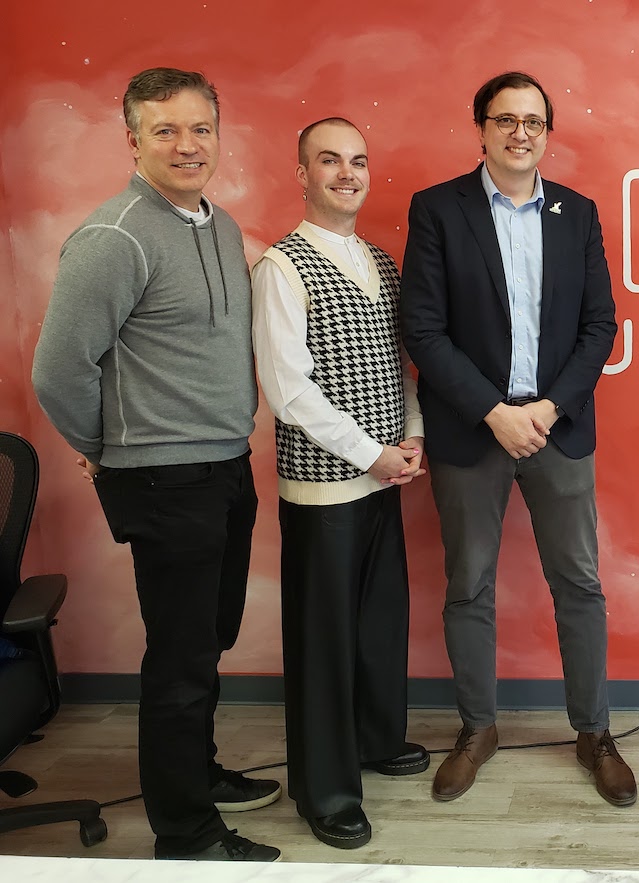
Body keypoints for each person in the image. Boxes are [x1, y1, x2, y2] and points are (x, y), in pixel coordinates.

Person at [31, 68, 280, 862]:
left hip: (224, 467)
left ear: (218, 133)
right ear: (130, 138)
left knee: (205, 642)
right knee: (178, 659)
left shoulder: (215, 223)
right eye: (165, 129)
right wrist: (108, 451)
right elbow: (58, 369)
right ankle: (186, 831)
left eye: (200, 128)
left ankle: (195, 775)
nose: (187, 144)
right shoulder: (115, 236)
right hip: (164, 480)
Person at [400, 71, 635, 807]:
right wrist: (493, 410)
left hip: (558, 430)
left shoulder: (578, 212)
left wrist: (550, 406)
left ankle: (593, 731)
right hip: (473, 432)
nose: (521, 132)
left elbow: (601, 324)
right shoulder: (438, 209)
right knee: (468, 586)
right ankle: (478, 728)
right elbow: (424, 328)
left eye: (534, 120)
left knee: (581, 585)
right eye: (506, 119)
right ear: (481, 128)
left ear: (548, 132)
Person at [251, 117, 429, 849]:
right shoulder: (281, 266)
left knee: (380, 623)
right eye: (330, 160)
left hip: (382, 478)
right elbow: (288, 390)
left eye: (357, 160)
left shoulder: (381, 262)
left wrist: (412, 432)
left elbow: (400, 366)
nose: (347, 173)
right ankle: (325, 789)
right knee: (325, 641)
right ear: (302, 172)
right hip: (327, 487)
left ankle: (376, 739)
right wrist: (370, 453)